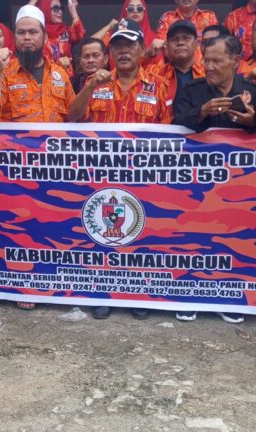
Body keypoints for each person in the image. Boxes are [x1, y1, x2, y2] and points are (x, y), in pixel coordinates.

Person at [173, 34, 256, 324]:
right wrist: (201, 113)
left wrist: (252, 122)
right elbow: (175, 123)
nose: (209, 66)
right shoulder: (191, 89)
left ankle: (229, 297)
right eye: (206, 60)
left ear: (235, 61)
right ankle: (190, 294)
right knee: (192, 239)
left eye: (217, 61)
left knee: (234, 238)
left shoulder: (251, 91)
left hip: (239, 186)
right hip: (196, 184)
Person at [68, 21, 171, 320]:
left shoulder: (158, 86)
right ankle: (102, 292)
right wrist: (89, 86)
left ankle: (139, 293)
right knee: (102, 235)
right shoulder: (96, 82)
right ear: (110, 53)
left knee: (141, 234)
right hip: (101, 177)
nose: (124, 51)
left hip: (142, 178)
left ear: (142, 50)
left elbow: (169, 133)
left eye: (130, 46)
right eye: (117, 47)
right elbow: (72, 117)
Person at [0, 4, 76, 309]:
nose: (26, 37)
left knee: (56, 226)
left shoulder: (60, 74)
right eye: (21, 32)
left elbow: (73, 115)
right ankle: (25, 286)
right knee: (21, 229)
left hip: (56, 167)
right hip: (18, 169)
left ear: (44, 36)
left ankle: (57, 281)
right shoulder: (4, 72)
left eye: (32, 32)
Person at [146, 20, 204, 103]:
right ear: (167, 46)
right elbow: (131, 74)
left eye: (186, 38)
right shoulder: (155, 73)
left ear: (196, 44)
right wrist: (147, 55)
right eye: (174, 39)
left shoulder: (206, 73)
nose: (180, 43)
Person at [30, 0, 85, 75]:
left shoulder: (65, 31)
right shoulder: (37, 33)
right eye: (56, 8)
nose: (60, 12)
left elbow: (79, 35)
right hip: (46, 77)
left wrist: (74, 14)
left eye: (61, 8)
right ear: (45, 9)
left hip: (67, 78)